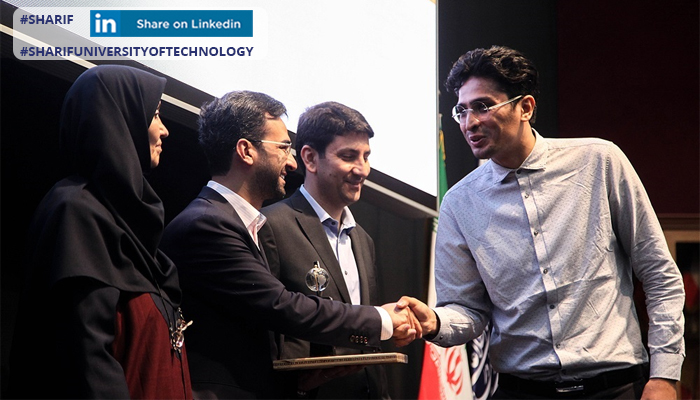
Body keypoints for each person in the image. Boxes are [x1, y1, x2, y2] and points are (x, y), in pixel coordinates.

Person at [404, 45, 685, 399]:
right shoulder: (459, 203)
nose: (469, 122)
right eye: (462, 110)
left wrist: (665, 376)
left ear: (525, 107)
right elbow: (468, 311)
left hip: (615, 387)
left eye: (483, 106)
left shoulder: (600, 161)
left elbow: (659, 274)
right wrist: (435, 321)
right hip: (522, 391)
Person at [159, 90, 420, 399]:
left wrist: (298, 381)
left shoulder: (236, 223)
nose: (292, 162)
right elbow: (281, 307)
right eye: (283, 147)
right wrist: (381, 319)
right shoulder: (208, 224)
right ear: (246, 151)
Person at [8, 65, 192, 399]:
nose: (165, 130)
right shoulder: (77, 211)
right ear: (120, 119)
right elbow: (85, 356)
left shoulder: (125, 220)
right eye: (155, 115)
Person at [259, 102, 390, 399]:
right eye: (348, 156)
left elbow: (368, 342)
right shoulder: (272, 225)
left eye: (366, 157)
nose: (363, 170)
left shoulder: (363, 240)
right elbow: (267, 332)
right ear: (309, 158)